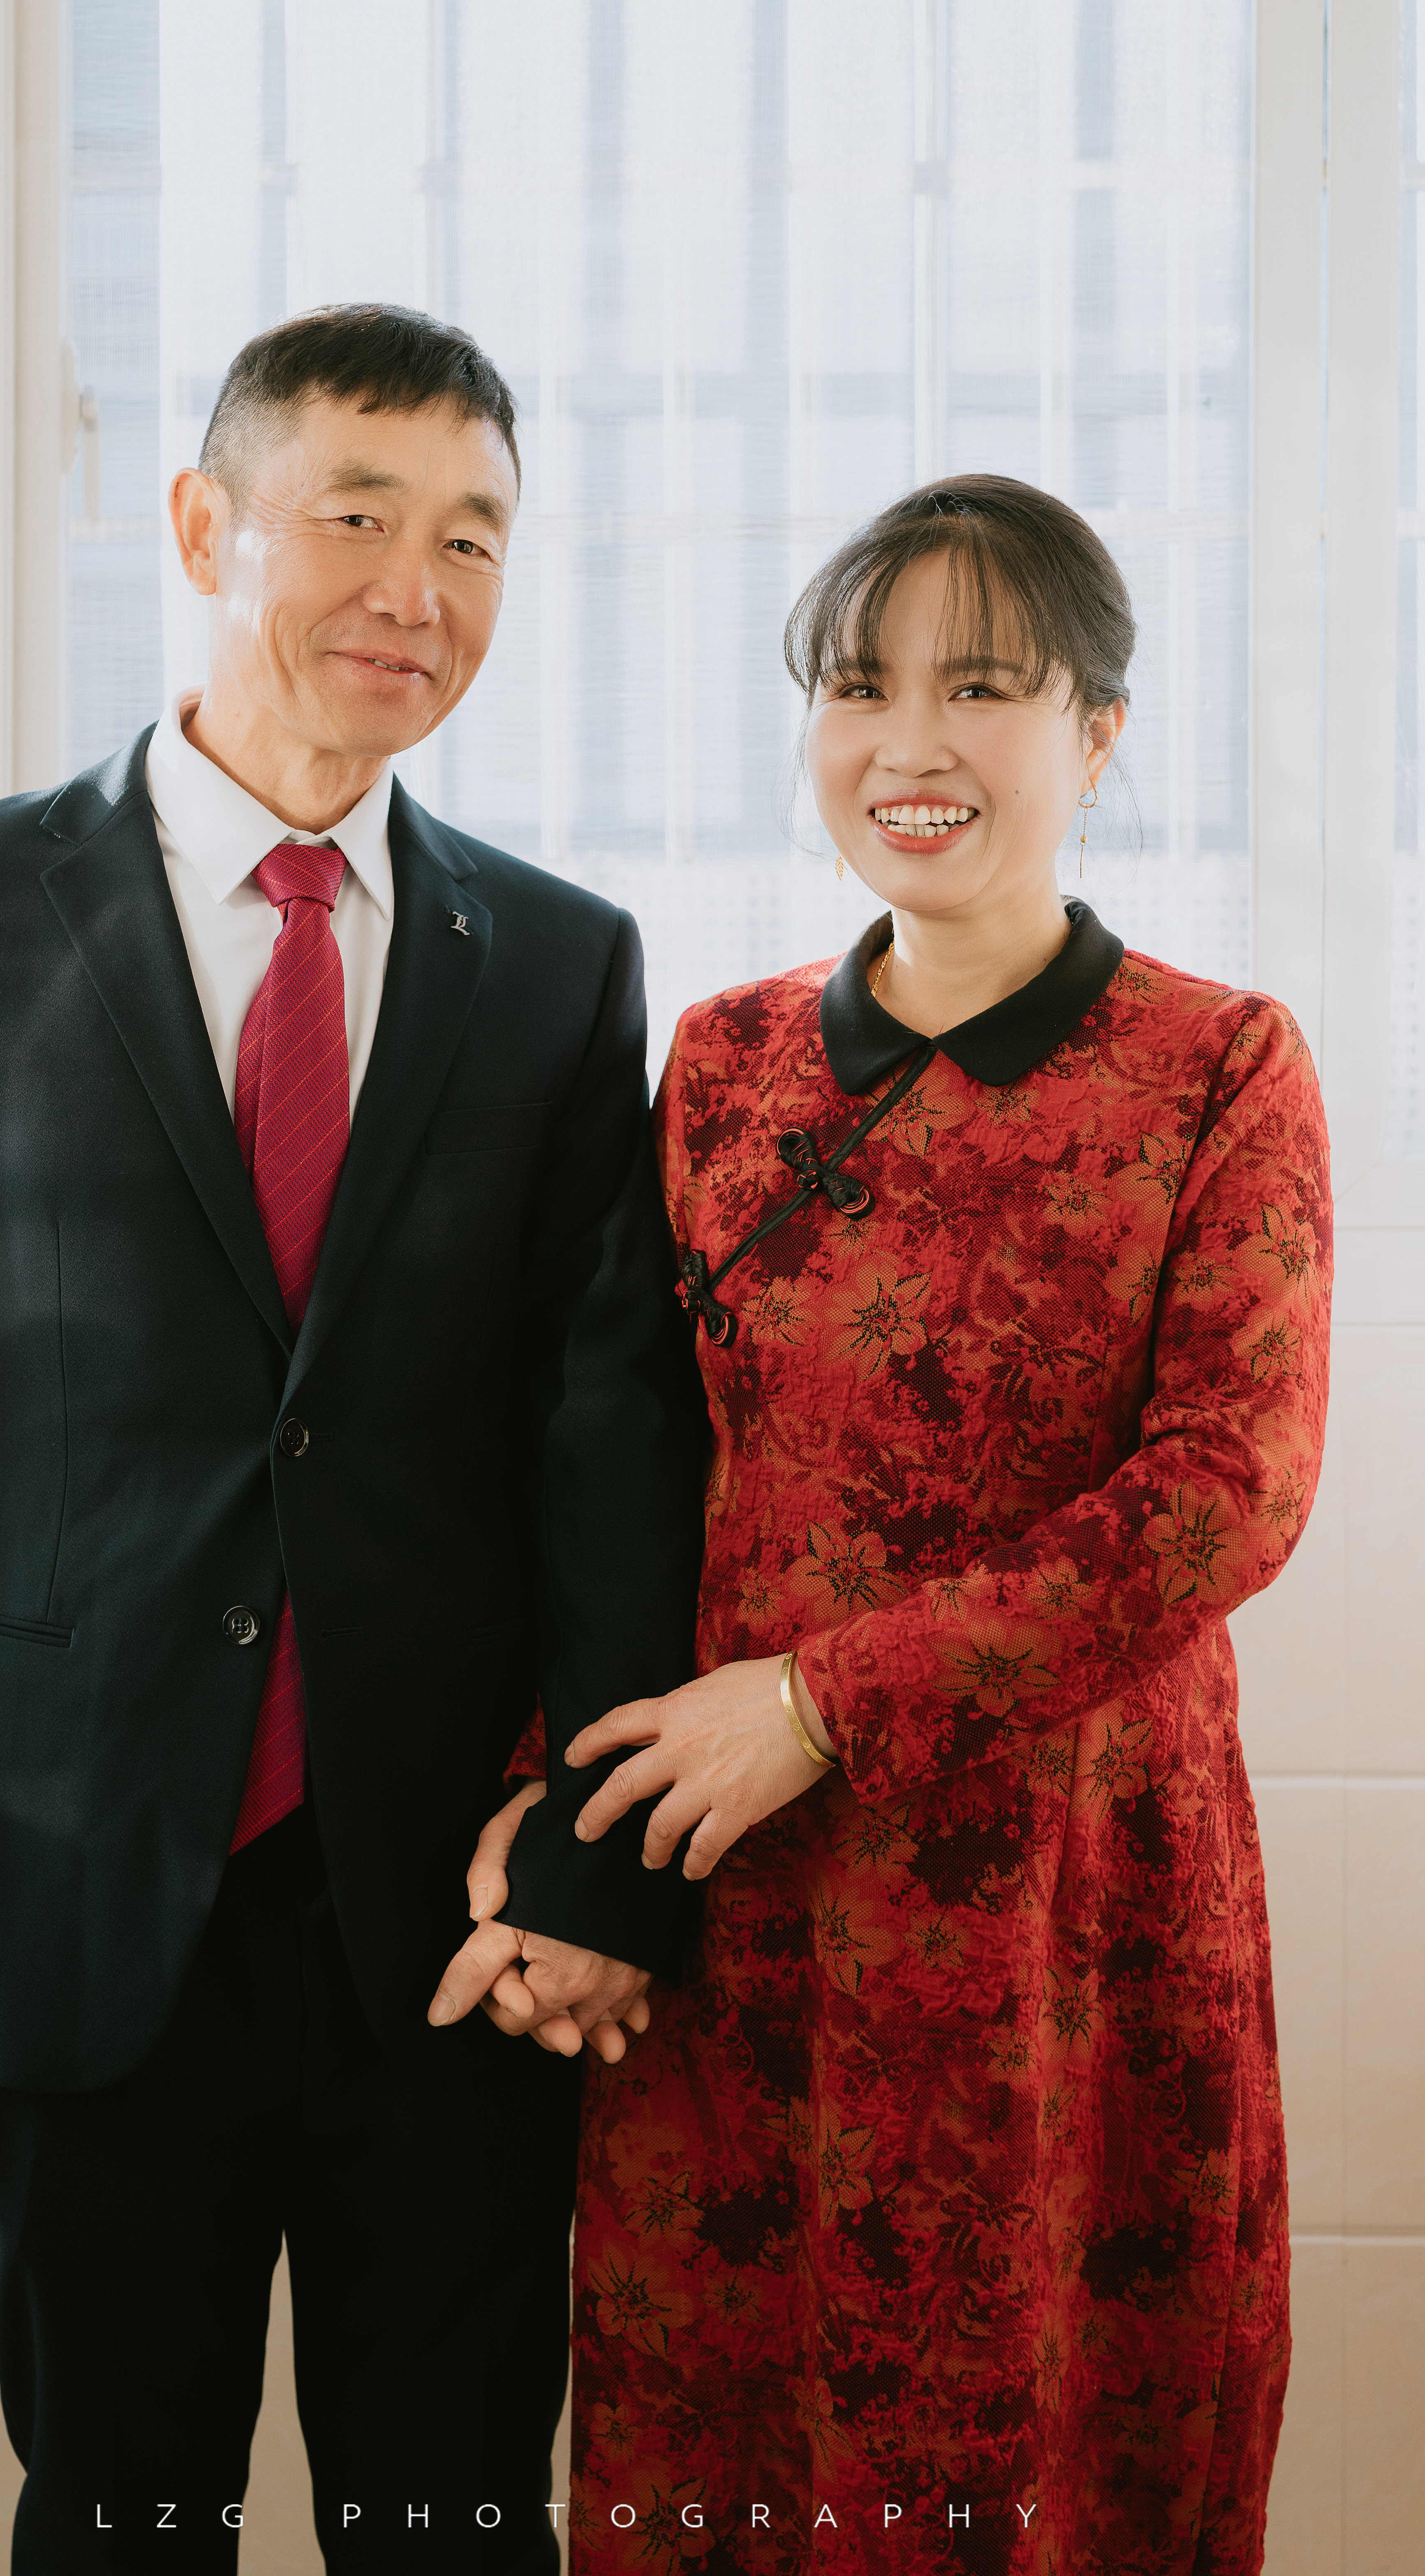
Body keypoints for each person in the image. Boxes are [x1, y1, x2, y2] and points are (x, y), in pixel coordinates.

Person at [0, 304, 707, 2571]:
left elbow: (611, 1451)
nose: (416, 589)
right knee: (117, 2514)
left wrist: (595, 1871)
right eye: (354, 515)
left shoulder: (557, 961)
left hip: (455, 1921)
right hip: (72, 1892)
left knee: (452, 2519)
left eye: (471, 537)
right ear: (202, 525)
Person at [458, 474, 1330, 2572]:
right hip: (737, 1897)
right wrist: (554, 1808)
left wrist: (818, 1704)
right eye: (856, 688)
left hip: (1068, 1910)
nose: (906, 744)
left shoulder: (1218, 1064)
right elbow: (621, 1461)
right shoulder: (723, 1059)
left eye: (980, 687)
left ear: (1095, 733)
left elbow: (1226, 1485)